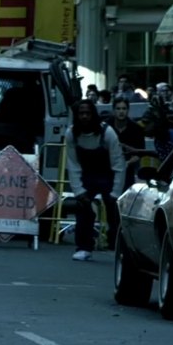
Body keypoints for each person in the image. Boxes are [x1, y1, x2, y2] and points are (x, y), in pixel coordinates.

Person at [64, 99, 125, 261]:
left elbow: (118, 163)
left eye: (88, 113)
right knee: (83, 210)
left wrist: (115, 192)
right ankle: (84, 247)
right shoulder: (71, 134)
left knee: (114, 212)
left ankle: (120, 247)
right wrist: (79, 190)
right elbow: (73, 163)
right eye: (81, 114)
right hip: (87, 175)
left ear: (93, 114)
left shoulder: (108, 133)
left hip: (108, 175)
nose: (84, 117)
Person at [109, 97, 145, 193]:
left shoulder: (136, 129)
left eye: (124, 109)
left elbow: (140, 153)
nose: (121, 112)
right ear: (113, 110)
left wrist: (127, 163)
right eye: (118, 108)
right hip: (108, 170)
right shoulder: (107, 127)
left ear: (128, 110)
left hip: (127, 170)